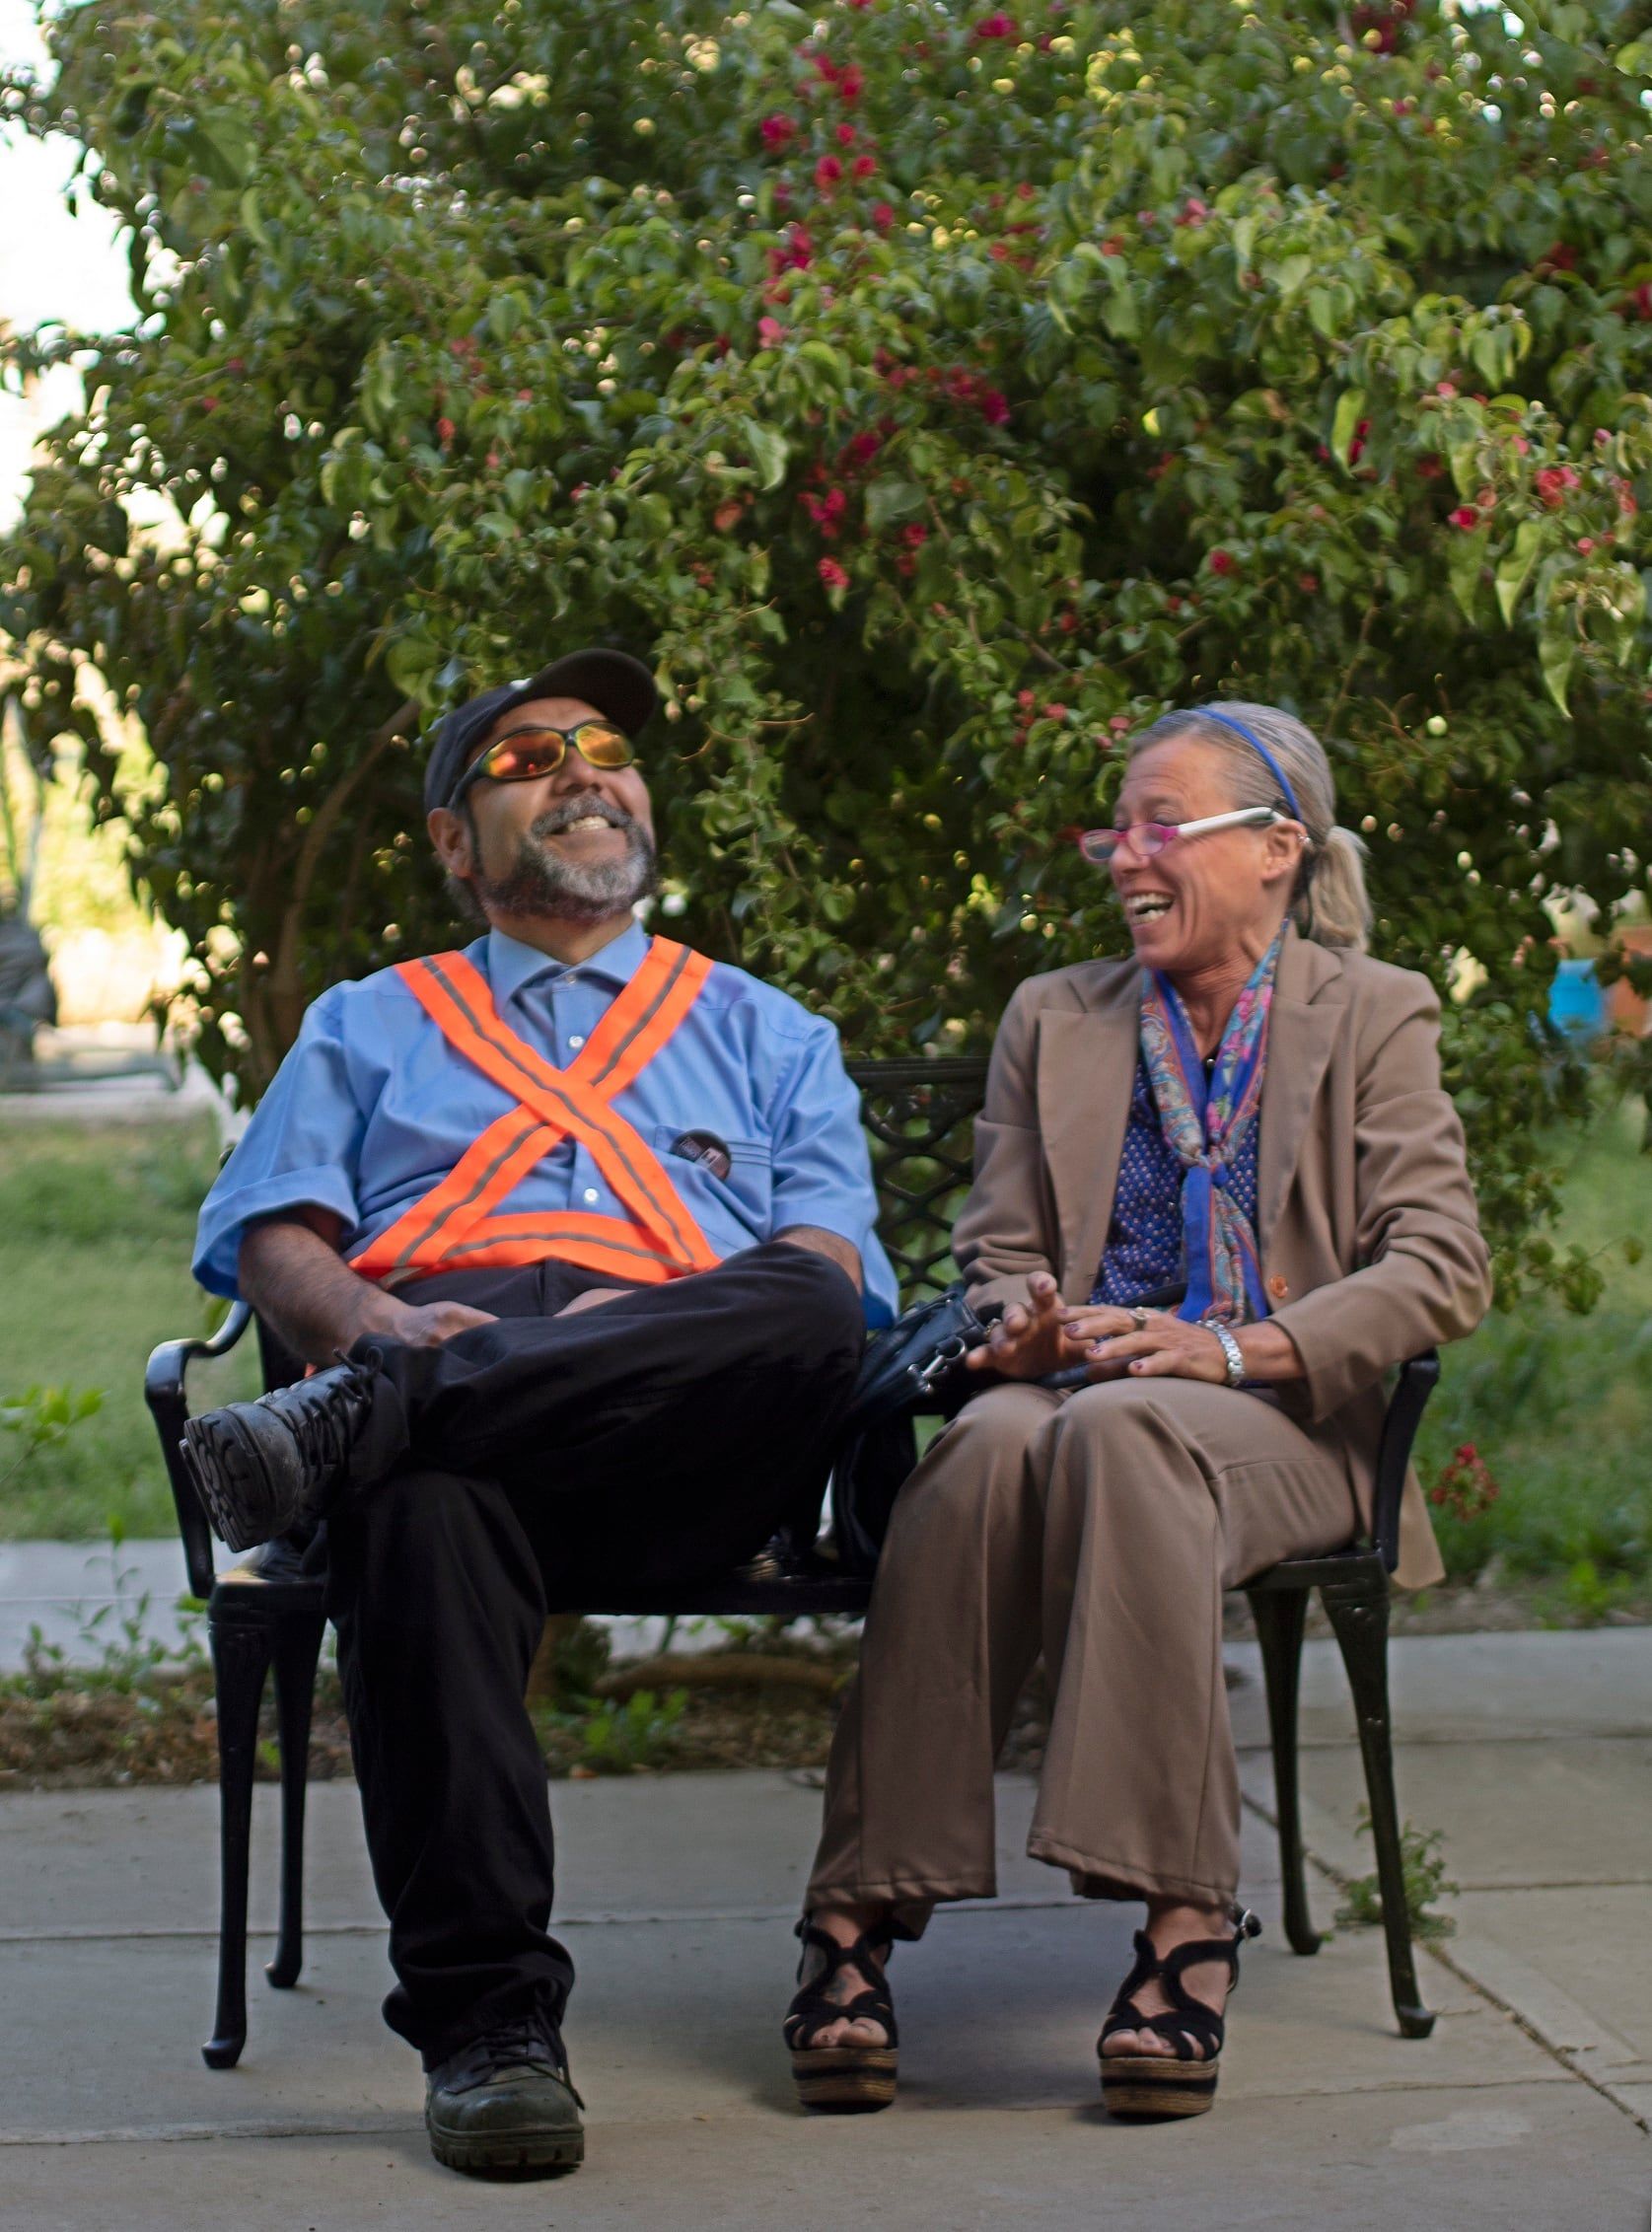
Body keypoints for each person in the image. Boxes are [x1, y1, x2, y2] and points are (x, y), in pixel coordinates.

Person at [181, 648, 894, 2177]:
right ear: (454, 840)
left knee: (805, 1302)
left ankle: (377, 1412)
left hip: (686, 1438)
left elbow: (835, 1267)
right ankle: (490, 2036)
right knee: (422, 1513)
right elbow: (273, 1238)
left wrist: (429, 1372)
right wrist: (373, 1319)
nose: (581, 768)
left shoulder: (768, 1032)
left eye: (605, 746)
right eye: (525, 757)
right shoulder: (369, 1023)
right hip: (463, 1455)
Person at [785, 702, 1491, 2123]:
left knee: (1123, 1429)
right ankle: (858, 1908)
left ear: (1278, 848)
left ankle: (1183, 1915)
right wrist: (1019, 1326)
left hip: (1283, 1423)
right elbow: (996, 1259)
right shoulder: (1058, 1016)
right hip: (1074, 1399)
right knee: (980, 1453)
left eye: (1163, 824)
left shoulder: (1376, 1012)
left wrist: (1237, 1355)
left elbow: (1440, 1264)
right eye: (1119, 827)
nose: (1125, 854)